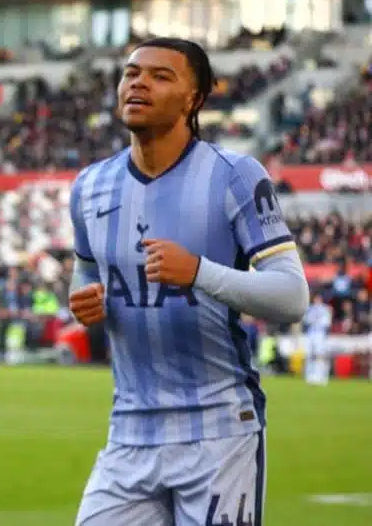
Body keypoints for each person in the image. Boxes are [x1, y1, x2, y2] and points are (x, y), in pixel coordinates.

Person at [65, 37, 310, 526]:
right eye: (132, 73)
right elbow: (86, 269)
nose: (139, 83)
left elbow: (292, 296)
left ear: (194, 99)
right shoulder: (90, 185)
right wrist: (81, 296)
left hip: (218, 432)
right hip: (129, 434)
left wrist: (199, 271)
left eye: (161, 76)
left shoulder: (235, 175)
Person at [302, 295, 332, 386]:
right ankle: (310, 375)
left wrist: (316, 321)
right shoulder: (309, 309)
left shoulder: (325, 309)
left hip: (320, 334)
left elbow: (326, 322)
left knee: (320, 355)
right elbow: (306, 320)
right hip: (311, 333)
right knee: (309, 355)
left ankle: (321, 376)